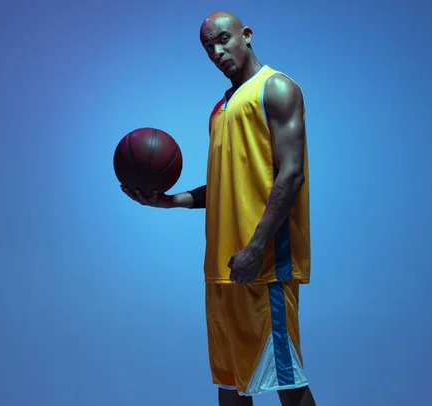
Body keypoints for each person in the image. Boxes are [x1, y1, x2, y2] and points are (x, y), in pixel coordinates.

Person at [121, 10, 316, 406]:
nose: (217, 50)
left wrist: (255, 249)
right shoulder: (220, 109)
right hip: (222, 268)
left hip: (261, 268)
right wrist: (168, 201)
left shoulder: (276, 89)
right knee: (230, 385)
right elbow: (228, 186)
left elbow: (290, 175)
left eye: (223, 39)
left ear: (246, 34)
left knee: (285, 379)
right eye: (208, 46)